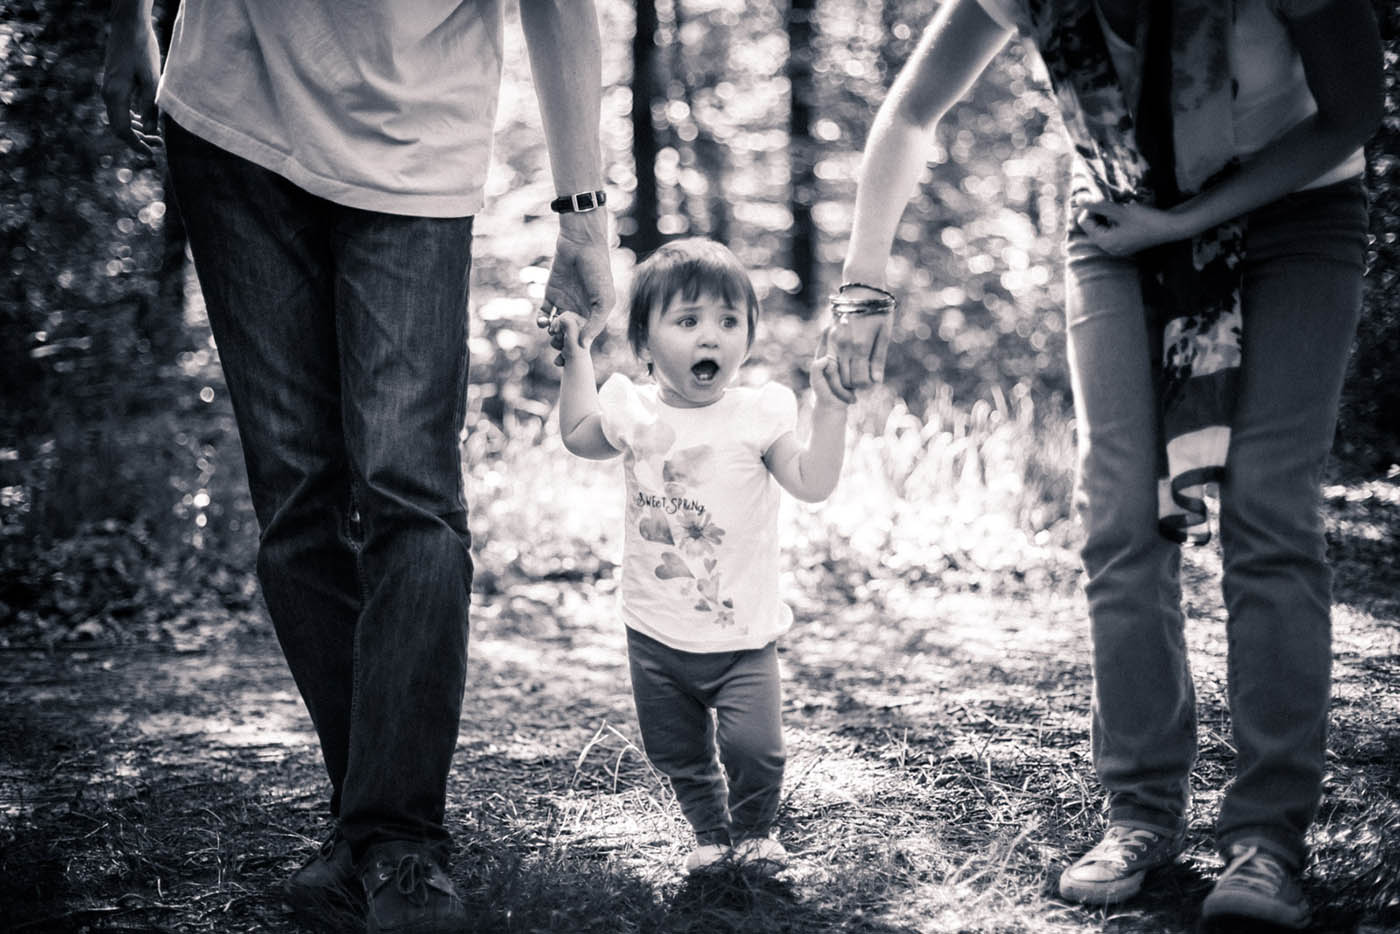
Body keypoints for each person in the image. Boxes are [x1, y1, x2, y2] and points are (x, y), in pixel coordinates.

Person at [831, 0, 1382, 927]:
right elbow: (912, 111)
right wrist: (862, 285)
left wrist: (1188, 222)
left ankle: (1266, 841)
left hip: (1299, 213)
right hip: (1122, 226)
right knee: (1120, 518)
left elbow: (1353, 111)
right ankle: (1140, 812)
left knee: (1266, 511)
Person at [101, 1, 616, 931]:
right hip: (231, 115)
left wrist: (583, 217)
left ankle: (397, 839)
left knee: (409, 493)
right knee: (297, 497)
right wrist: (127, 19)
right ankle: (373, 827)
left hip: (415, 145)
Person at [546, 237, 850, 875]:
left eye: (728, 322)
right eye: (687, 322)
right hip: (656, 632)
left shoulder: (757, 415)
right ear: (646, 342)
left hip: (742, 636)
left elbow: (814, 484)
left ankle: (758, 831)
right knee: (677, 750)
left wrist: (832, 411)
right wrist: (577, 360)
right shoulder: (631, 409)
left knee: (756, 749)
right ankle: (710, 836)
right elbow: (579, 435)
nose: (710, 337)